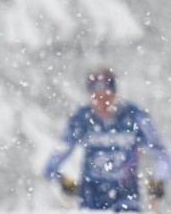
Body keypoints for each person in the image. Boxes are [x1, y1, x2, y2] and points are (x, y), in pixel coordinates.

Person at [43, 69, 171, 211]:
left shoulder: (133, 116)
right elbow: (56, 157)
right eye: (96, 96)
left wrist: (159, 181)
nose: (101, 102)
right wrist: (62, 181)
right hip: (92, 195)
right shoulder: (82, 119)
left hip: (127, 194)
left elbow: (161, 153)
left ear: (115, 94)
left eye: (106, 95)